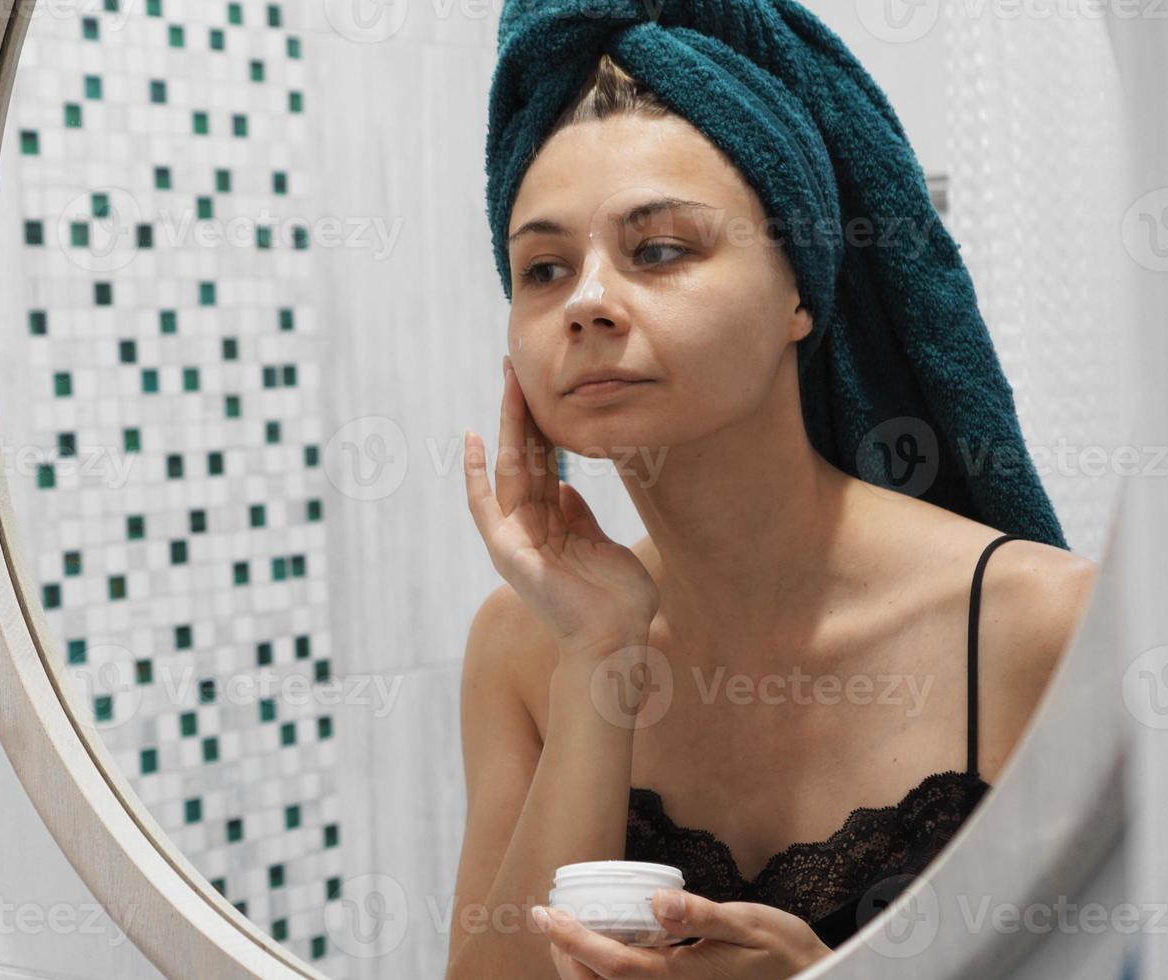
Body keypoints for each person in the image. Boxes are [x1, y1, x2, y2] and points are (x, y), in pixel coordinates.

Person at [448, 51, 1097, 980]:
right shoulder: (525, 647)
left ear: (802, 286)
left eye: (660, 249)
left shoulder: (1040, 625)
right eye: (543, 268)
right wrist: (600, 655)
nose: (585, 303)